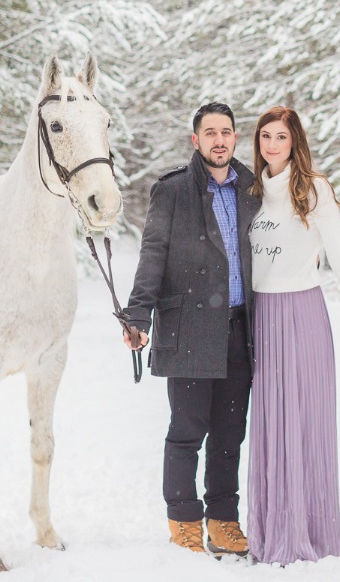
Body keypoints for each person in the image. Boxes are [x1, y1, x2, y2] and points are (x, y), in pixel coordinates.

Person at [245, 106, 340, 565]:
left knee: (304, 424)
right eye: (265, 136)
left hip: (303, 314)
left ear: (295, 142)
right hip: (261, 317)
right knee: (270, 425)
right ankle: (271, 532)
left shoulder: (313, 189)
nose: (271, 145)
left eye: (280, 137)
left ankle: (309, 533)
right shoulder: (248, 191)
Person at [123, 102, 260, 557]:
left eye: (226, 132)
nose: (219, 140)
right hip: (189, 328)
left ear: (235, 139)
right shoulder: (174, 190)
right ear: (195, 140)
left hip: (240, 329)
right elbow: (153, 254)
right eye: (210, 132)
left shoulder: (253, 190)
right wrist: (138, 314)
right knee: (187, 430)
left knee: (229, 433)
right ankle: (183, 520)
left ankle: (223, 521)